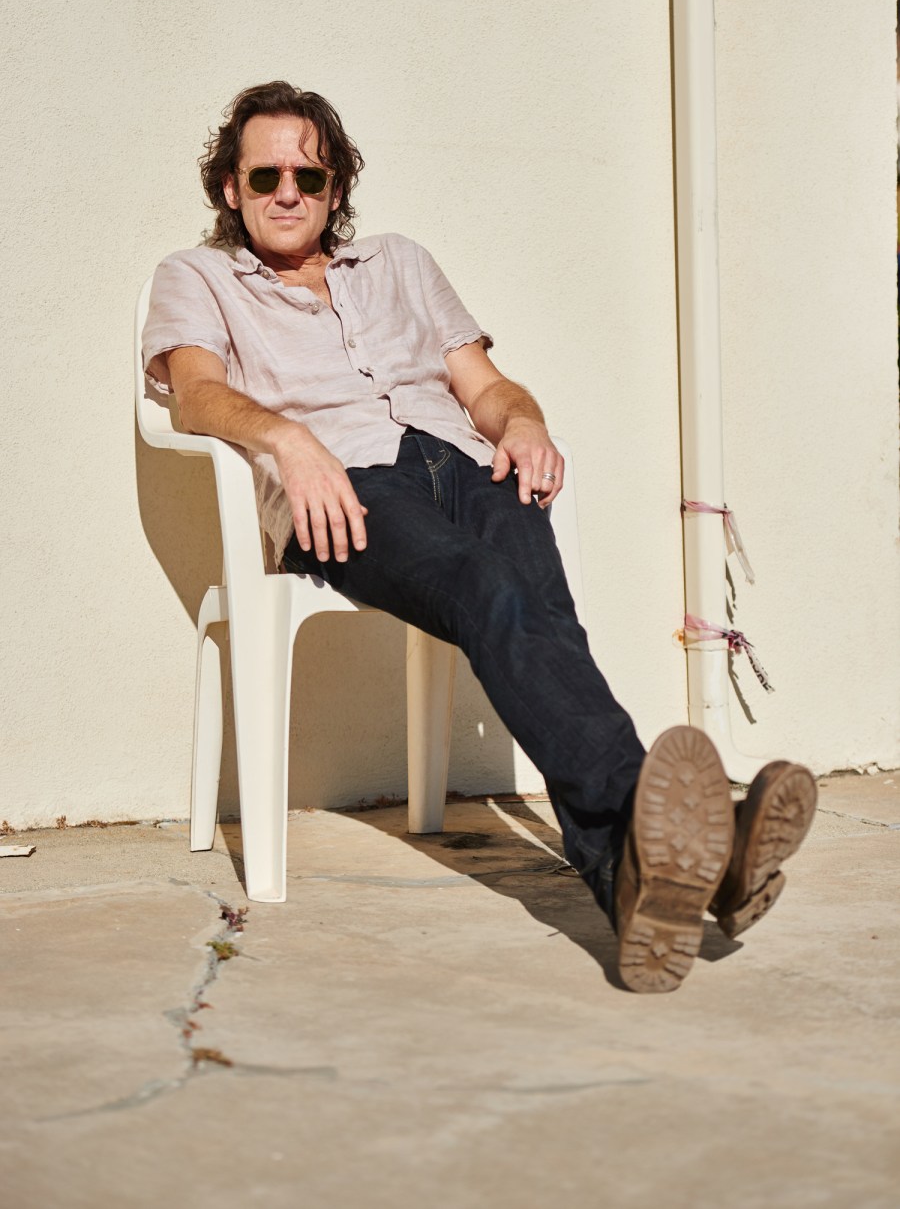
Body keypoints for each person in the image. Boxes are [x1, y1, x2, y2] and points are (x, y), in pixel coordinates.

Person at [143, 81, 817, 993]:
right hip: (345, 486)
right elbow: (195, 395)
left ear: (337, 187)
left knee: (540, 604)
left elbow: (485, 387)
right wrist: (289, 441)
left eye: (310, 175)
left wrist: (525, 423)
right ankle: (689, 837)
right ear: (232, 186)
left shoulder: (401, 262)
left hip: (464, 463)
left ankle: (632, 879)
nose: (288, 192)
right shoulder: (198, 275)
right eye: (266, 176)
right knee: (488, 586)